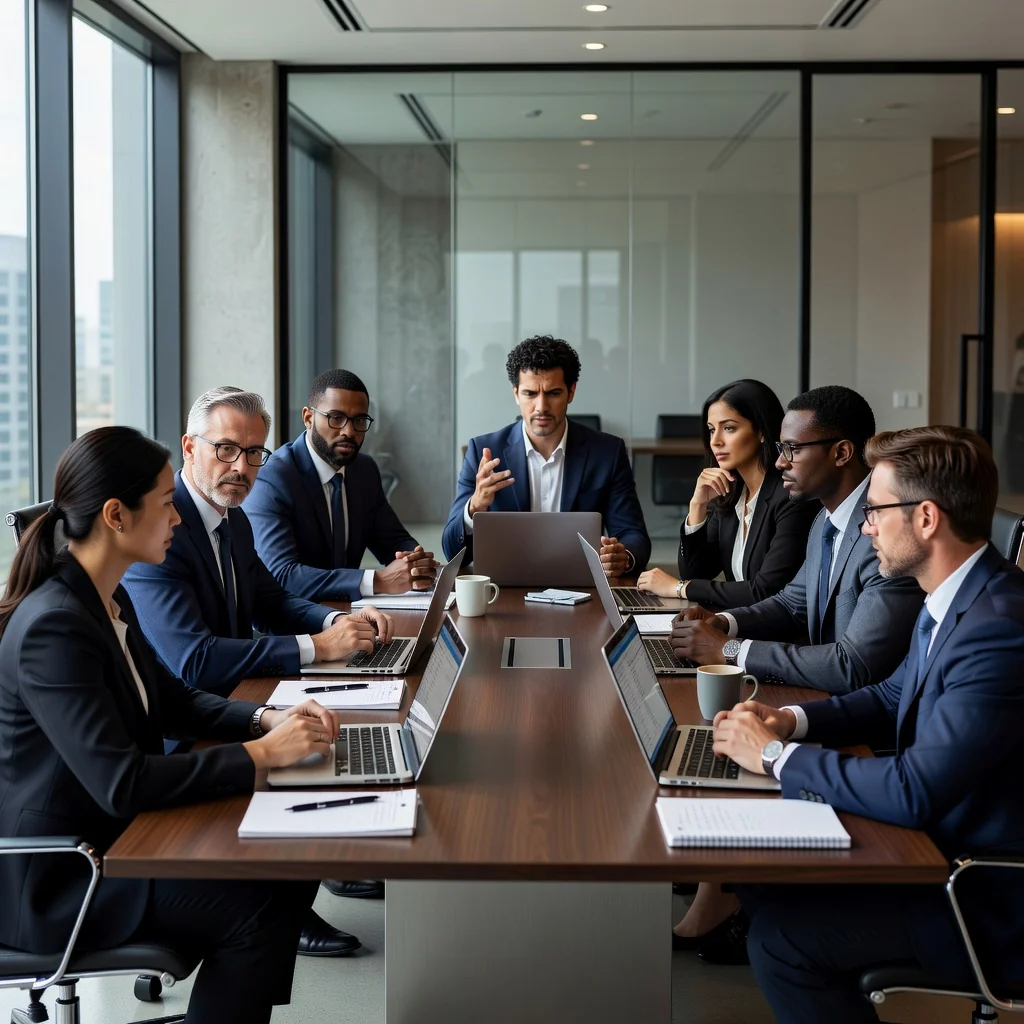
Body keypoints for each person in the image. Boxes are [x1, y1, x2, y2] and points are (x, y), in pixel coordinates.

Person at [0, 427, 342, 1024]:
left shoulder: (105, 598)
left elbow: (174, 701)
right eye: (164, 503)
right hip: (61, 877)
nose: (178, 519)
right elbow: (122, 782)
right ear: (116, 516)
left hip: (116, 838)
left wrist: (268, 719)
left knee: (286, 867)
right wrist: (264, 757)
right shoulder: (54, 626)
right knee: (257, 904)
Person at [711, 426, 1024, 1023]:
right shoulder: (958, 598)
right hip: (935, 850)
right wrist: (792, 720)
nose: (865, 526)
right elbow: (888, 695)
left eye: (877, 511)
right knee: (757, 879)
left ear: (926, 518)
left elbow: (914, 790)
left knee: (780, 943)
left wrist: (775, 757)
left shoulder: (998, 628)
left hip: (984, 895)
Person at [123, 386, 393, 954]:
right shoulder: (160, 537)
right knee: (316, 735)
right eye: (225, 450)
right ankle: (288, 905)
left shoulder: (231, 517)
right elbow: (191, 660)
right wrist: (317, 647)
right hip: (183, 731)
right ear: (189, 447)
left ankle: (311, 877)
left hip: (236, 697)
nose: (240, 468)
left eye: (253, 454)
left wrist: (336, 618)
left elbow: (271, 600)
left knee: (339, 730)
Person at [670, 385, 923, 694]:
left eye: (793, 449)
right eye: (781, 448)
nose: (780, 462)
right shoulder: (825, 519)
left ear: (841, 453)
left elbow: (853, 666)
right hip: (820, 695)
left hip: (863, 718)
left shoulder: (885, 534)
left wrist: (731, 650)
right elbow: (792, 605)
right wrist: (722, 622)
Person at [442, 335, 651, 576]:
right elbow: (451, 551)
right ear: (516, 394)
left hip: (582, 590)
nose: (541, 406)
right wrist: (475, 507)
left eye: (553, 393)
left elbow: (634, 536)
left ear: (571, 392)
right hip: (503, 590)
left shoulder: (607, 453)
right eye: (530, 394)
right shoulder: (483, 451)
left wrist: (623, 557)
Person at [246, 368, 438, 603]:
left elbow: (393, 540)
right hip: (293, 627)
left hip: (352, 614)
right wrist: (377, 581)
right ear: (308, 418)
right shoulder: (274, 479)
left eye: (359, 420)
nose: (348, 431)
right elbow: (283, 575)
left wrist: (416, 564)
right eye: (336, 418)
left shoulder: (363, 470)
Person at [637, 379, 818, 607]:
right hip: (736, 625)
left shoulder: (789, 497)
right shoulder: (730, 493)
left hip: (775, 636)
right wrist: (697, 506)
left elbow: (765, 591)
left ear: (761, 431)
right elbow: (697, 571)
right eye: (712, 430)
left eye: (729, 428)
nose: (716, 441)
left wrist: (678, 588)